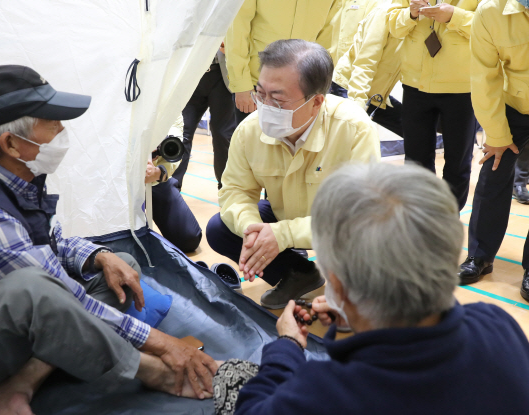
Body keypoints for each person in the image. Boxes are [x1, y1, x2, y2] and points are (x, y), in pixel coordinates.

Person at [0, 65, 217, 414]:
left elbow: (49, 241)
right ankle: (155, 374)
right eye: (52, 123)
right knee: (35, 289)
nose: (63, 132)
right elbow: (55, 296)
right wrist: (161, 346)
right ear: (11, 143)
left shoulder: (8, 171)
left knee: (122, 266)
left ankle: (22, 380)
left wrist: (100, 257)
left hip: (10, 332)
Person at [212, 163, 529, 415]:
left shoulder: (322, 394)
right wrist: (350, 319)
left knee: (231, 377)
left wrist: (286, 347)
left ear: (336, 283)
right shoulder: (497, 324)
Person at [206, 40, 380, 309]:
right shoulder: (249, 130)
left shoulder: (354, 129)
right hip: (286, 215)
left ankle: (353, 287)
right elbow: (235, 192)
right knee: (220, 229)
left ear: (316, 102)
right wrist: (252, 230)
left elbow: (356, 214)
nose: (265, 106)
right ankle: (298, 273)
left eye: (277, 99)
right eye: (260, 93)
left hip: (339, 227)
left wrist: (283, 234)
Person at [458, 0, 529, 301]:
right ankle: (480, 255)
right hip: (514, 104)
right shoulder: (491, 11)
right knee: (493, 171)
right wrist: (497, 135)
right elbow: (484, 76)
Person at [388, 0, 479, 210]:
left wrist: (454, 16)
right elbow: (392, 25)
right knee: (415, 160)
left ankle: (448, 219)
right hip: (414, 84)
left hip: (462, 86)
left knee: (458, 161)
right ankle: (420, 217)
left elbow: (490, 30)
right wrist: (409, 14)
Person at [225, 0, 338, 124]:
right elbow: (237, 28)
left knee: (301, 141)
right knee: (252, 139)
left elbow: (327, 35)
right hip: (258, 86)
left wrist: (318, 86)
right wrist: (241, 84)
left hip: (304, 87)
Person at [332, 3, 404, 137]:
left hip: (375, 94)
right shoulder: (384, 14)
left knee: (416, 132)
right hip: (349, 87)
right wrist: (357, 110)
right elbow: (365, 64)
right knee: (346, 140)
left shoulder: (420, 23)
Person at [173, 44, 236, 190]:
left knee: (223, 135)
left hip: (222, 75)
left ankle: (226, 191)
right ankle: (172, 189)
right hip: (190, 76)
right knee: (182, 132)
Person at [146, 115, 203, 252]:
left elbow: (174, 146)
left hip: (154, 177)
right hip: (118, 181)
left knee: (188, 239)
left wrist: (159, 172)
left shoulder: (171, 103)